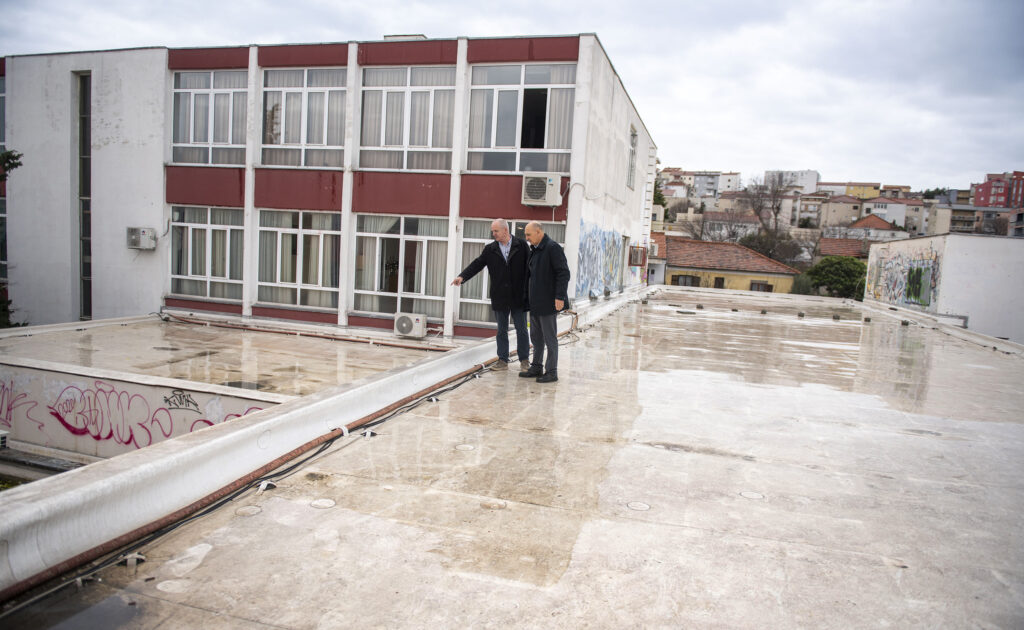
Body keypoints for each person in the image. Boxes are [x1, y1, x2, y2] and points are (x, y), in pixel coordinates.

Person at [452, 219, 531, 371]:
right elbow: (477, 264)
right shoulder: (490, 249)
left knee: (521, 330)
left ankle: (525, 361)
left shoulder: (521, 245)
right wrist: (462, 277)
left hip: (519, 296)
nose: (493, 234)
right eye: (492, 231)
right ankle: (502, 360)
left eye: (496, 231)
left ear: (505, 230)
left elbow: (531, 267)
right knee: (501, 330)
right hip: (500, 296)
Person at [520, 221, 570, 383]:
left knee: (549, 338)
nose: (526, 238)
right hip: (535, 302)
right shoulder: (535, 250)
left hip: (549, 302)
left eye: (528, 234)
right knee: (536, 337)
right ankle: (536, 367)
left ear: (539, 232)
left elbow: (563, 273)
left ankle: (552, 371)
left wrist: (560, 297)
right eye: (525, 235)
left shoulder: (552, 248)